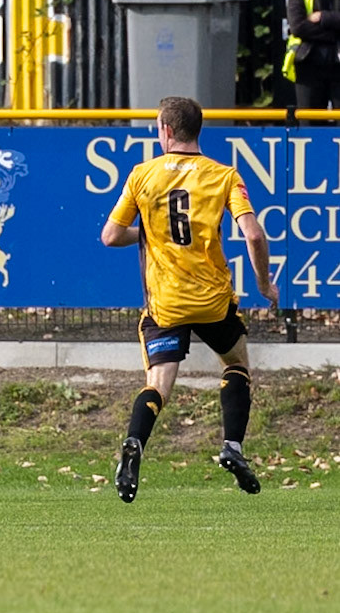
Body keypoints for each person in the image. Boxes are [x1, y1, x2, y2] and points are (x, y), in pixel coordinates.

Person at [100, 96, 279, 503]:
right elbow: (253, 234)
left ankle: (134, 443)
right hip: (213, 300)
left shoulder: (142, 175)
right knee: (236, 363)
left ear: (165, 130)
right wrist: (265, 284)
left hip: (166, 303)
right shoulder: (223, 175)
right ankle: (232, 446)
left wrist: (146, 234)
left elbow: (111, 236)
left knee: (158, 385)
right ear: (198, 130)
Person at [283, 0, 340, 118]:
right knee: (309, 125)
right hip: (308, 63)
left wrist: (323, 17)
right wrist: (334, 35)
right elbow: (298, 26)